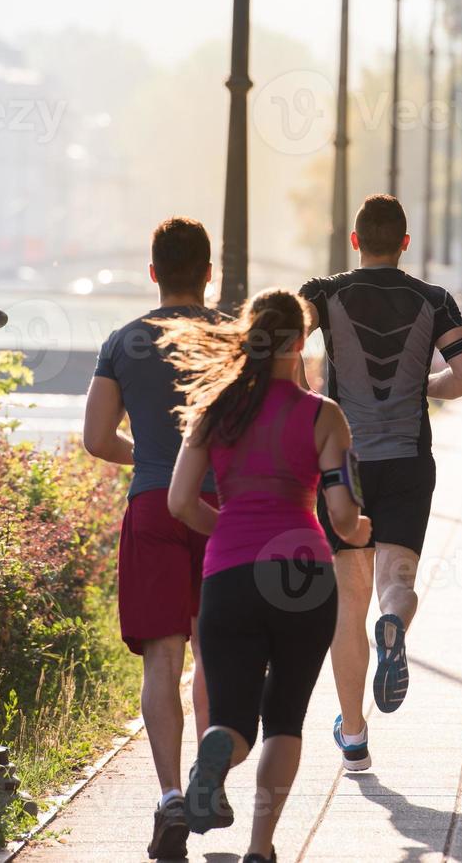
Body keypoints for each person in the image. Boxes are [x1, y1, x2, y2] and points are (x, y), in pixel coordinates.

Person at [163, 289, 372, 863]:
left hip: (229, 574)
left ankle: (215, 749)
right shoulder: (323, 414)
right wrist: (360, 530)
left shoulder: (214, 411)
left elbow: (181, 502)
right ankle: (260, 847)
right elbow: (343, 517)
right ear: (302, 341)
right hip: (303, 575)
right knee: (285, 717)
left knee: (233, 717)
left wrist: (229, 529)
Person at [299, 194, 462, 772]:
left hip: (342, 462)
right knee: (396, 579)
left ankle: (353, 735)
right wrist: (422, 388)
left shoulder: (321, 295)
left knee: (346, 600)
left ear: (355, 240)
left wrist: (308, 401)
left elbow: (277, 349)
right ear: (405, 243)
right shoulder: (433, 299)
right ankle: (394, 625)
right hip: (408, 460)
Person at [82, 217, 222, 861]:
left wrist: (150, 461)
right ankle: (207, 778)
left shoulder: (123, 342)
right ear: (209, 272)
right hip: (223, 510)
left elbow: (96, 438)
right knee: (214, 651)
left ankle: (169, 798)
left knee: (161, 659)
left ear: (153, 272)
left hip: (152, 505)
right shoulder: (233, 340)